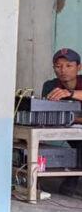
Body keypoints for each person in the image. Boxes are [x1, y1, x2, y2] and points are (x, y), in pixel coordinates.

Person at [41, 48, 82, 197]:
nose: (63, 70)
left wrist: (70, 93)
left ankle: (70, 184)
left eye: (69, 65)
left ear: (79, 67)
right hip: (67, 129)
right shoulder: (51, 86)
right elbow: (50, 113)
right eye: (58, 66)